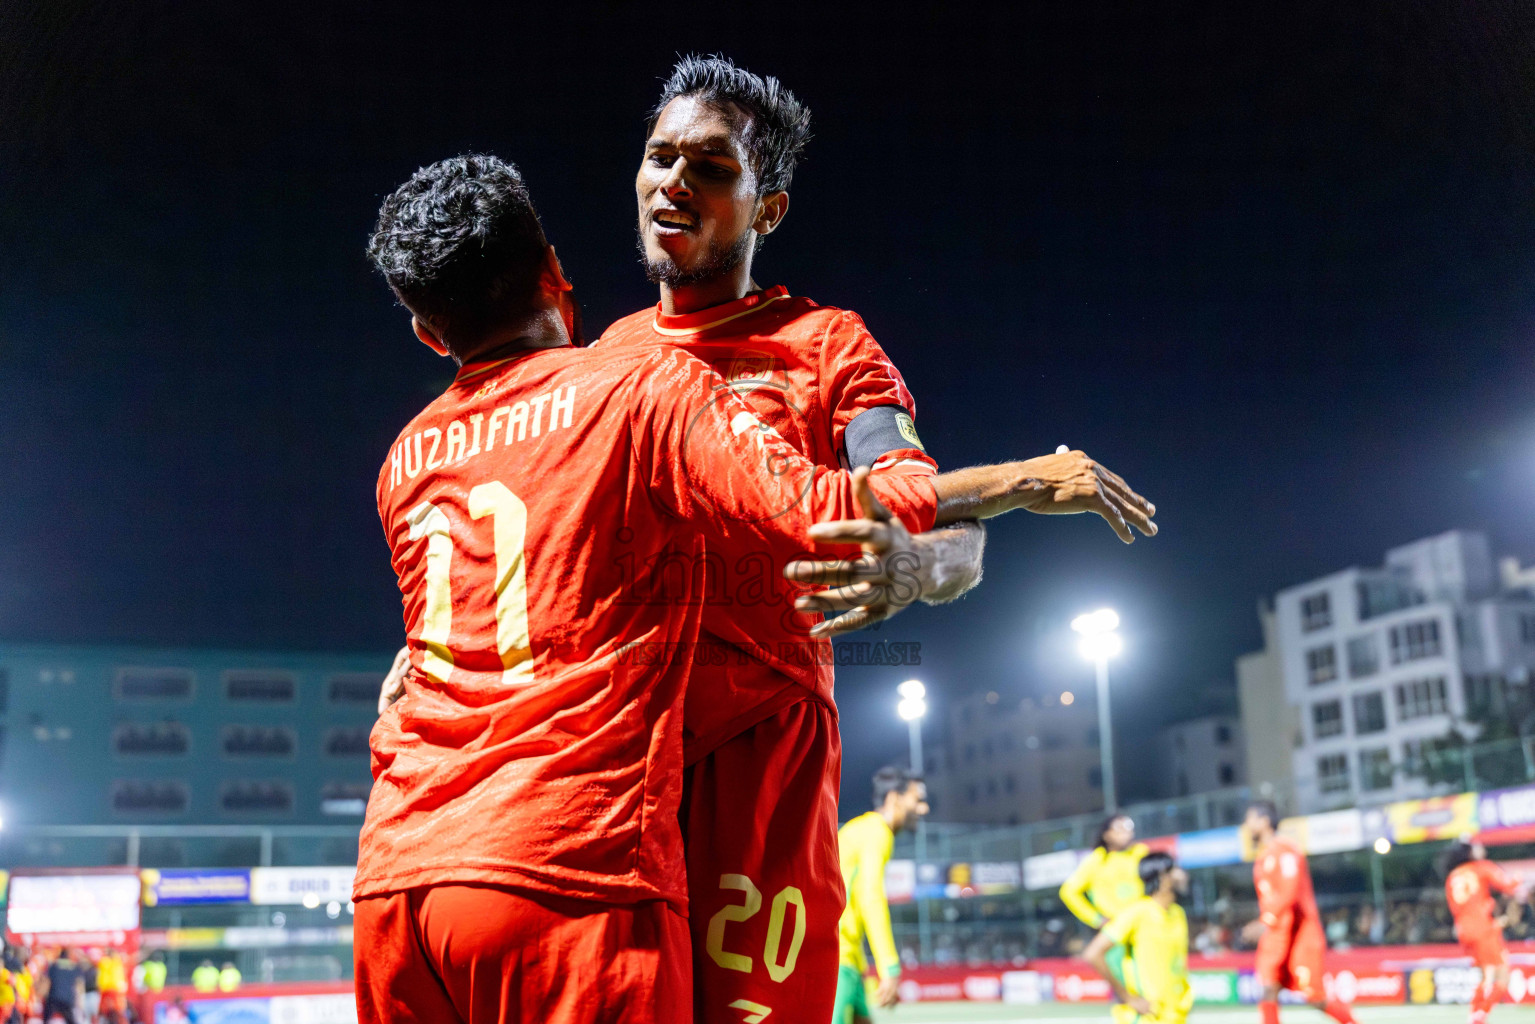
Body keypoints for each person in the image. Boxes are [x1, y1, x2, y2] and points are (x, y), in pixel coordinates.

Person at [376, 55, 1158, 1024]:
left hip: (758, 751)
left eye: (709, 167)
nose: (672, 181)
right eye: (658, 157)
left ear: (767, 208)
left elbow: (935, 519)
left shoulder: (828, 343)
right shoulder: (599, 361)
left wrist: (916, 569)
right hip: (603, 770)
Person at [1240, 801, 1356, 1024]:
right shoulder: (1264, 856)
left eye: (1250, 819)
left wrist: (1265, 920)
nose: (1247, 825)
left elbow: (1290, 891)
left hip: (1301, 934)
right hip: (1277, 932)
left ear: (1264, 821)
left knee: (1314, 997)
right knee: (1267, 986)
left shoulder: (1286, 850)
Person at [832, 768, 929, 1024]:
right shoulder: (877, 833)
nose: (923, 809)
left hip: (849, 957)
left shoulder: (863, 829)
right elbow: (870, 895)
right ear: (894, 799)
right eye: (916, 800)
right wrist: (889, 966)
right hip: (837, 956)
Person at [1083, 852, 1192, 1024]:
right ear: (1162, 877)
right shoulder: (1137, 912)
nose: (1183, 875)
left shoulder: (1178, 913)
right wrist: (1127, 997)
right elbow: (1093, 953)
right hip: (1146, 1018)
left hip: (1176, 1015)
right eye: (1175, 870)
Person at [1060, 814, 1148, 1000]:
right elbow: (1068, 891)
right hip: (1116, 933)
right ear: (1107, 834)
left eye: (1129, 828)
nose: (1126, 833)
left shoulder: (1140, 853)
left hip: (1144, 929)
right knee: (1124, 987)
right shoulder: (1096, 860)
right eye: (1120, 829)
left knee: (1150, 983)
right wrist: (1095, 918)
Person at [1442, 837, 1525, 1024]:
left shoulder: (1453, 876)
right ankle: (1480, 1016)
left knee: (1484, 974)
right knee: (1501, 975)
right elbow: (1508, 885)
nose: (1481, 847)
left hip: (1464, 930)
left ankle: (1474, 1014)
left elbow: (1456, 907)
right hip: (1483, 929)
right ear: (1470, 851)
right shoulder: (1481, 867)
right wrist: (1520, 877)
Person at [96, 950, 128, 1023]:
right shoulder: (117, 963)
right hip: (115, 991)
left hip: (107, 990)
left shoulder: (104, 962)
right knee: (118, 1013)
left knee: (105, 1012)